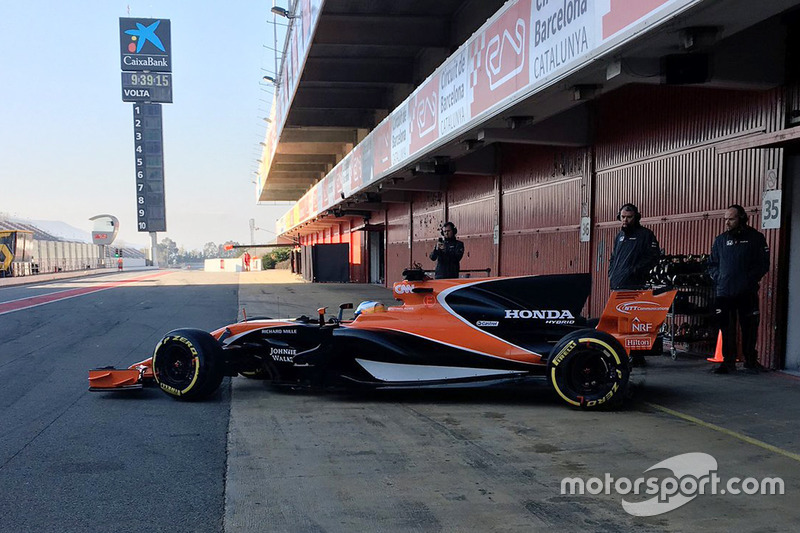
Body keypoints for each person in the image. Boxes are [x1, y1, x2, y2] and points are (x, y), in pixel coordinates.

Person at [707, 205, 770, 374]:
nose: (727, 222)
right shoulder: (720, 240)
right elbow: (712, 264)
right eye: (725, 219)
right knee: (726, 329)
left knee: (749, 328)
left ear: (741, 219)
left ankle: (750, 361)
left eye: (731, 219)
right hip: (724, 293)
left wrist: (749, 279)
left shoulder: (756, 238)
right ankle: (728, 363)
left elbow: (763, 264)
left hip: (746, 292)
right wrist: (718, 277)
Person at [608, 203, 660, 366]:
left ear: (636, 217)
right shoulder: (619, 236)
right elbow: (614, 257)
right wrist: (611, 272)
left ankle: (637, 356)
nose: (625, 220)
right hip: (618, 283)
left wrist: (635, 270)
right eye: (623, 217)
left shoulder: (646, 235)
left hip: (634, 285)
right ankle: (623, 353)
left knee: (634, 322)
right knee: (620, 322)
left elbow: (653, 257)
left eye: (629, 217)